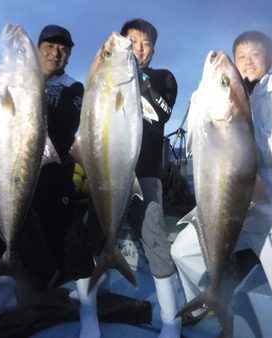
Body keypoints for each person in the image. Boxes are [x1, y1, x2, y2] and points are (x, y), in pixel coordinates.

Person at [170, 30, 272, 338]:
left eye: (256, 55)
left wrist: (238, 117)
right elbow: (195, 135)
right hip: (228, 213)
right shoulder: (222, 96)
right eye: (241, 57)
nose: (248, 63)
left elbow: (271, 150)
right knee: (182, 252)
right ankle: (209, 301)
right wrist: (210, 89)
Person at [0, 25, 100, 338]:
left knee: (76, 250)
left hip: (55, 182)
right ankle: (2, 300)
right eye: (50, 46)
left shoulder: (74, 88)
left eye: (64, 49)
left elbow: (65, 128)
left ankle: (89, 314)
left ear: (69, 54)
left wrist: (28, 89)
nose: (56, 53)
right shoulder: (10, 78)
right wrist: (3, 82)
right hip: (8, 179)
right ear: (38, 49)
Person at [83, 18, 181, 338]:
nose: (138, 48)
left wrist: (129, 68)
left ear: (153, 49)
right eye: (133, 42)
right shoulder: (112, 76)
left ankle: (171, 321)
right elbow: (92, 107)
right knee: (91, 239)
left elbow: (162, 112)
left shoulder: (163, 78)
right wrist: (103, 62)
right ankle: (89, 313)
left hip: (146, 177)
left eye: (145, 43)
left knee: (154, 244)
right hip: (108, 172)